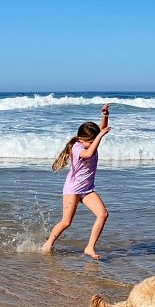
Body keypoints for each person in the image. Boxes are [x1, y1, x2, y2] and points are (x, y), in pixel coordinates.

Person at [41, 104, 111, 259]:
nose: (94, 143)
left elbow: (101, 129)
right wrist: (99, 137)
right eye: (91, 141)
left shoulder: (90, 141)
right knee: (66, 222)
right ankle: (48, 244)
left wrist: (105, 115)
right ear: (81, 139)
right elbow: (88, 154)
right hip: (72, 189)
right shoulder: (77, 147)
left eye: (94, 140)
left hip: (87, 189)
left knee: (103, 214)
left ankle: (89, 247)